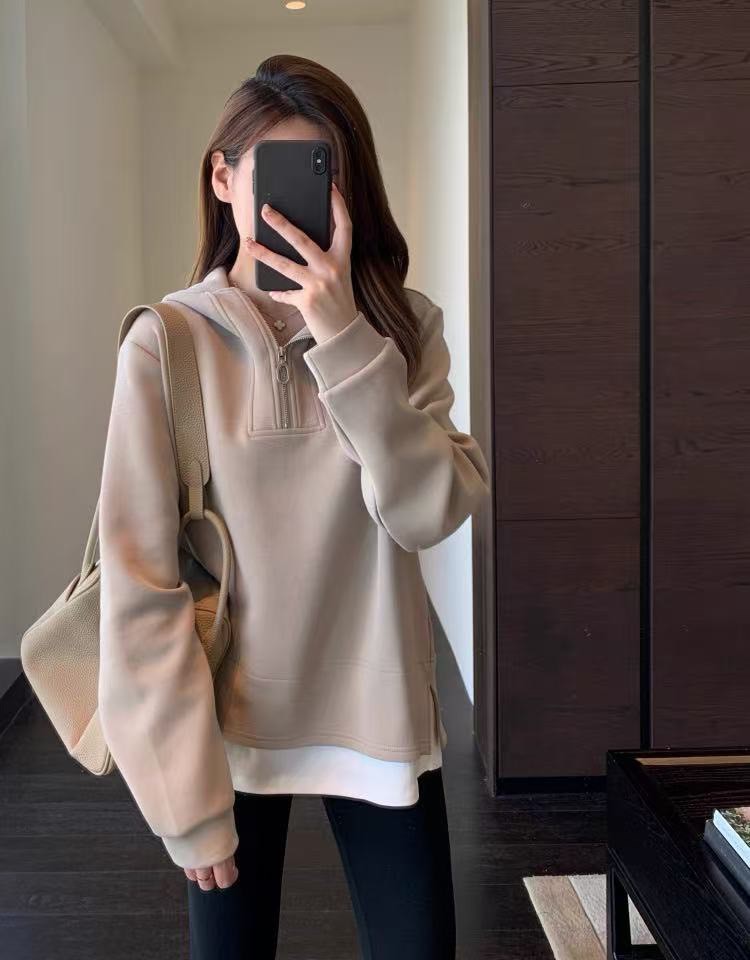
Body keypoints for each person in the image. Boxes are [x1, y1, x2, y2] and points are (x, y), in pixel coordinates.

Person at [97, 53, 491, 960]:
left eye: (324, 175)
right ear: (222, 177)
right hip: (227, 726)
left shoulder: (403, 328)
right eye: (275, 173)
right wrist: (185, 806)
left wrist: (344, 334)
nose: (298, 205)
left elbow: (429, 513)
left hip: (380, 712)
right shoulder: (166, 342)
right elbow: (141, 581)